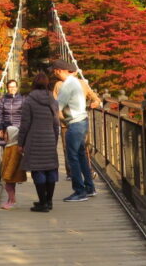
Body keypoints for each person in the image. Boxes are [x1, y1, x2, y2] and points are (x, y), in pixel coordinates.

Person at [52, 59, 95, 202]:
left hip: (75, 124)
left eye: (55, 70)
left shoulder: (66, 86)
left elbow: (57, 108)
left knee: (73, 158)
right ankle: (89, 188)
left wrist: (62, 121)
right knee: (81, 155)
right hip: (83, 121)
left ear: (60, 70)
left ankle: (79, 191)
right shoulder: (76, 82)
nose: (54, 73)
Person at [17, 72, 60, 212]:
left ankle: (42, 203)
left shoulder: (29, 100)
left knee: (38, 170)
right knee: (50, 169)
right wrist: (55, 139)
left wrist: (20, 143)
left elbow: (25, 124)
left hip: (34, 139)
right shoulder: (52, 99)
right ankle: (49, 202)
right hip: (49, 138)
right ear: (47, 83)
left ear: (33, 84)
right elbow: (56, 122)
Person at [0, 125, 26, 209]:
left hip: (12, 172)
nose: (4, 136)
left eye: (6, 134)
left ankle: (12, 201)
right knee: (11, 187)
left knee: (8, 187)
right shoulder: (10, 145)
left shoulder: (14, 148)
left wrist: (7, 174)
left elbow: (12, 162)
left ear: (12, 135)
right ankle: (9, 200)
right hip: (11, 172)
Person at [0, 80, 24, 145]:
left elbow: (25, 115)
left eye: (14, 87)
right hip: (6, 129)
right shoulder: (3, 100)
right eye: (10, 87)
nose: (12, 89)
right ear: (7, 88)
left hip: (19, 129)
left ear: (17, 87)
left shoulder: (22, 99)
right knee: (7, 150)